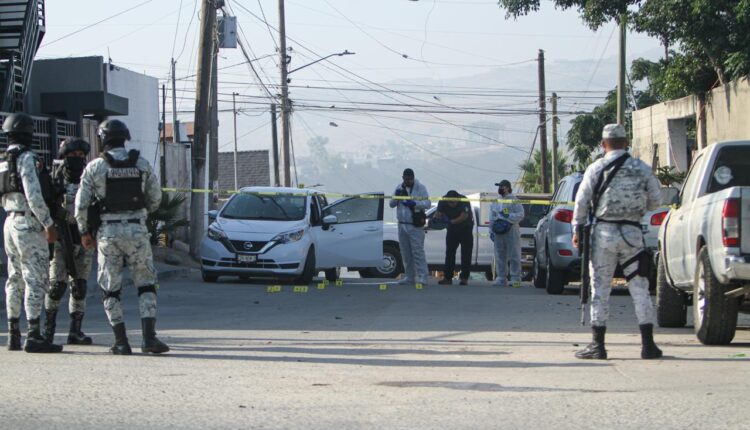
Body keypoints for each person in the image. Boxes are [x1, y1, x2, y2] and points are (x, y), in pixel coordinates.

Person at [75, 119, 169, 355]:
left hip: (108, 233)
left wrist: (84, 232)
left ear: (102, 139)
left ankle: (121, 341)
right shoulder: (141, 163)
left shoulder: (95, 167)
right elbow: (156, 199)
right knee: (146, 284)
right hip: (137, 231)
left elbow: (80, 205)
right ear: (125, 137)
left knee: (110, 288)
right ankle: (149, 339)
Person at [571, 123, 663, 360]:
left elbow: (581, 202)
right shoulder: (641, 168)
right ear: (626, 141)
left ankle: (598, 345)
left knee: (600, 288)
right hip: (632, 234)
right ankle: (648, 345)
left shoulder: (596, 167)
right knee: (640, 288)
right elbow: (656, 201)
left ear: (602, 144)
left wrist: (576, 230)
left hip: (603, 234)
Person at [1, 113, 62, 353]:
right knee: (36, 278)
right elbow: (33, 195)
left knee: (14, 278)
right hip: (28, 222)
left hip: (9, 222)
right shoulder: (27, 158)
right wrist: (48, 223)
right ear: (28, 134)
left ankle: (13, 334)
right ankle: (34, 335)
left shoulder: (3, 160)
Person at [44, 138, 95, 345]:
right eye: (73, 156)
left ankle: (75, 331)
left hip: (84, 236)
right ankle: (48, 331)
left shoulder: (89, 178)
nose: (78, 160)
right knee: (56, 286)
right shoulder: (54, 179)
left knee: (80, 286)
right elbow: (45, 206)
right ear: (64, 156)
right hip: (61, 236)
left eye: (82, 156)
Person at [388, 168, 430, 285]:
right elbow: (391, 204)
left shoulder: (420, 188)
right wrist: (396, 197)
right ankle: (409, 276)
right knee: (405, 252)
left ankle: (423, 277)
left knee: (418, 251)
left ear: (413, 178)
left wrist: (414, 203)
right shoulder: (399, 187)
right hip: (402, 225)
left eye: (410, 179)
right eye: (406, 179)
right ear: (403, 178)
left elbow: (427, 203)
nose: (408, 181)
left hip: (415, 225)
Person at [489, 180, 524, 288]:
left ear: (508, 188)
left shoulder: (514, 201)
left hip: (511, 230)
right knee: (500, 255)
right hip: (498, 231)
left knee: (514, 254)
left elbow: (521, 214)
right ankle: (501, 278)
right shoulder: (496, 201)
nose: (500, 189)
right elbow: (491, 217)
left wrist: (508, 216)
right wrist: (491, 230)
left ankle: (515, 279)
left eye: (502, 187)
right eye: (499, 187)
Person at [435, 190, 473, 285]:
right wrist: (438, 218)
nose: (451, 204)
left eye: (453, 202)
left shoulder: (464, 200)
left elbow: (463, 216)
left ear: (457, 199)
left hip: (465, 229)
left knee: (466, 254)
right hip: (452, 230)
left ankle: (464, 278)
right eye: (449, 202)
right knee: (449, 253)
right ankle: (447, 278)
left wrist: (450, 221)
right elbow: (438, 213)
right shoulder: (443, 201)